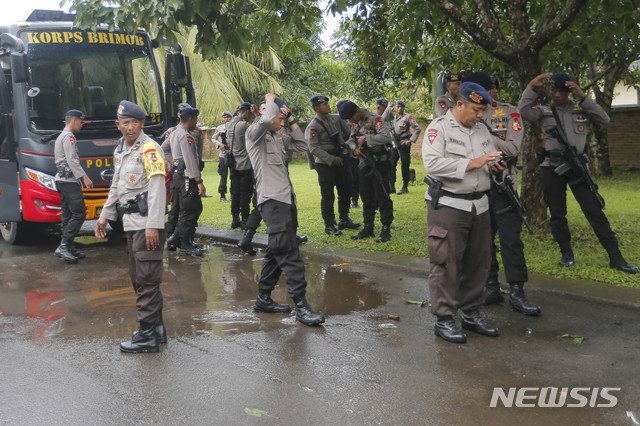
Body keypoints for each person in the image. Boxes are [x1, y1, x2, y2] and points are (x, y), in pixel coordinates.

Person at [518, 72, 638, 274]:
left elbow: (604, 118)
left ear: (569, 91)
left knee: (594, 210)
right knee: (557, 212)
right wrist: (531, 87)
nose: (557, 95)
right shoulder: (544, 110)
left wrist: (583, 97)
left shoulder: (579, 107)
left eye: (562, 91)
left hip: (577, 167)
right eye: (553, 90)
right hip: (551, 166)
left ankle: (616, 257)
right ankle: (566, 254)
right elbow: (523, 111)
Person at [423, 82, 507, 344]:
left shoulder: (482, 130)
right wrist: (474, 163)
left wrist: (494, 168)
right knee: (446, 263)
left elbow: (488, 160)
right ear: (459, 105)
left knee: (478, 263)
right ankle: (445, 319)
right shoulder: (439, 128)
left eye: (483, 110)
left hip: (479, 205)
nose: (480, 115)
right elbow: (433, 163)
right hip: (449, 205)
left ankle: (471, 313)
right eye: (476, 109)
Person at [463, 71, 541, 315]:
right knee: (482, 241)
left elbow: (512, 148)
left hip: (504, 185)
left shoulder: (508, 113)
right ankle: (491, 287)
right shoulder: (458, 117)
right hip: (477, 186)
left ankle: (517, 293)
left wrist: (484, 133)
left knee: (511, 240)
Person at [245, 93, 324, 326]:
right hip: (271, 201)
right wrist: (270, 102)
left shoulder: (277, 136)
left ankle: (263, 298)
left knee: (275, 250)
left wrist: (290, 121)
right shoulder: (253, 134)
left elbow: (303, 144)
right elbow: (266, 118)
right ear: (266, 114)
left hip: (285, 200)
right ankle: (301, 306)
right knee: (289, 252)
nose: (281, 121)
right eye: (279, 118)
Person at [95, 100, 167, 353]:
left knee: (147, 279)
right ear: (118, 125)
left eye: (135, 122)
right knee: (138, 278)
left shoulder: (149, 149)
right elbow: (116, 184)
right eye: (125, 122)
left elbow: (158, 186)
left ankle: (147, 336)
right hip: (130, 223)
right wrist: (105, 215)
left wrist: (153, 226)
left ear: (142, 124)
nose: (130, 127)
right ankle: (156, 327)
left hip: (146, 224)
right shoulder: (121, 149)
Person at [339, 101, 394, 243]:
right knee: (366, 195)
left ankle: (385, 228)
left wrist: (366, 139)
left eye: (352, 118)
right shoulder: (355, 122)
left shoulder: (376, 119)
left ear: (358, 111)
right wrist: (354, 148)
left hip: (379, 164)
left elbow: (387, 137)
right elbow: (351, 139)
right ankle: (368, 227)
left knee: (382, 195)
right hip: (364, 164)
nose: (351, 122)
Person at [305, 94, 360, 236]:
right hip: (325, 163)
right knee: (328, 195)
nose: (328, 106)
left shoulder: (334, 118)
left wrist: (347, 146)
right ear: (317, 108)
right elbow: (313, 147)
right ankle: (329, 225)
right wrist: (330, 158)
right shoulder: (313, 126)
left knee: (346, 189)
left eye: (328, 103)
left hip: (341, 159)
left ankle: (344, 218)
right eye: (324, 104)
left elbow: (347, 135)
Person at [53, 109, 93, 263]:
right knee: (79, 213)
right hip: (69, 181)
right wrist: (84, 177)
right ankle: (64, 246)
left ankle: (67, 247)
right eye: (80, 122)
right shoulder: (69, 136)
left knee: (67, 214)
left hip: (61, 180)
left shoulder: (61, 136)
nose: (81, 125)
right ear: (73, 120)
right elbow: (72, 160)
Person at [167, 106, 206, 256]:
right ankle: (184, 243)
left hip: (178, 177)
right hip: (187, 178)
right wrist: (199, 180)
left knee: (179, 209)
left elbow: (164, 149)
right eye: (195, 119)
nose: (196, 122)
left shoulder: (174, 132)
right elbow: (190, 160)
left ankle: (175, 239)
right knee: (190, 210)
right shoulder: (185, 135)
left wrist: (174, 163)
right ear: (190, 118)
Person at [227, 102, 254, 229]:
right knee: (245, 193)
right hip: (244, 165)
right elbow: (258, 129)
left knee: (235, 193)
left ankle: (235, 219)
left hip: (233, 164)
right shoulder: (245, 125)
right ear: (248, 112)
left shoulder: (230, 123)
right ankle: (245, 220)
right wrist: (257, 115)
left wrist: (234, 113)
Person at [391, 100, 421, 194]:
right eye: (397, 106)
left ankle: (405, 186)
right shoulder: (392, 118)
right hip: (394, 144)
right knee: (391, 165)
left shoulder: (408, 117)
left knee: (404, 165)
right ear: (395, 108)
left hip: (404, 143)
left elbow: (417, 129)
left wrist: (411, 140)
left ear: (403, 108)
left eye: (401, 106)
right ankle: (391, 186)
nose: (399, 108)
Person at [212, 111, 233, 202]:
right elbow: (213, 138)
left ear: (231, 118)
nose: (226, 119)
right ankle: (222, 195)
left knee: (234, 176)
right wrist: (219, 144)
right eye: (224, 117)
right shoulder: (219, 128)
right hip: (223, 155)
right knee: (223, 176)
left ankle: (233, 195)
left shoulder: (235, 126)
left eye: (228, 117)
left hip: (233, 154)